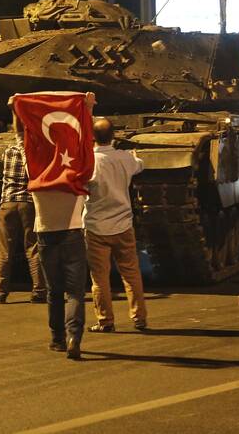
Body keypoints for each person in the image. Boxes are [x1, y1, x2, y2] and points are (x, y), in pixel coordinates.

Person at [14, 92, 96, 361]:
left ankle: (57, 339)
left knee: (54, 291)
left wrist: (17, 110)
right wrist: (88, 109)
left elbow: (23, 141)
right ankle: (75, 336)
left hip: (46, 237)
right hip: (73, 236)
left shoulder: (36, 175)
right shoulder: (77, 175)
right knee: (75, 292)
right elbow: (87, 144)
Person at [83, 118, 147, 333]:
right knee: (131, 273)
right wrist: (134, 156)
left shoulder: (87, 161)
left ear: (92, 136)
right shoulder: (124, 158)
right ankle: (139, 318)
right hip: (123, 225)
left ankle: (105, 320)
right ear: (113, 136)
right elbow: (139, 165)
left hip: (95, 227)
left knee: (99, 278)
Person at [0, 114, 47, 305]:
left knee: (4, 250)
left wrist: (14, 111)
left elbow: (18, 136)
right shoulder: (36, 153)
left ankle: (0, 292)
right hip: (28, 204)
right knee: (32, 247)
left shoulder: (8, 151)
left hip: (7, 203)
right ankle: (39, 290)